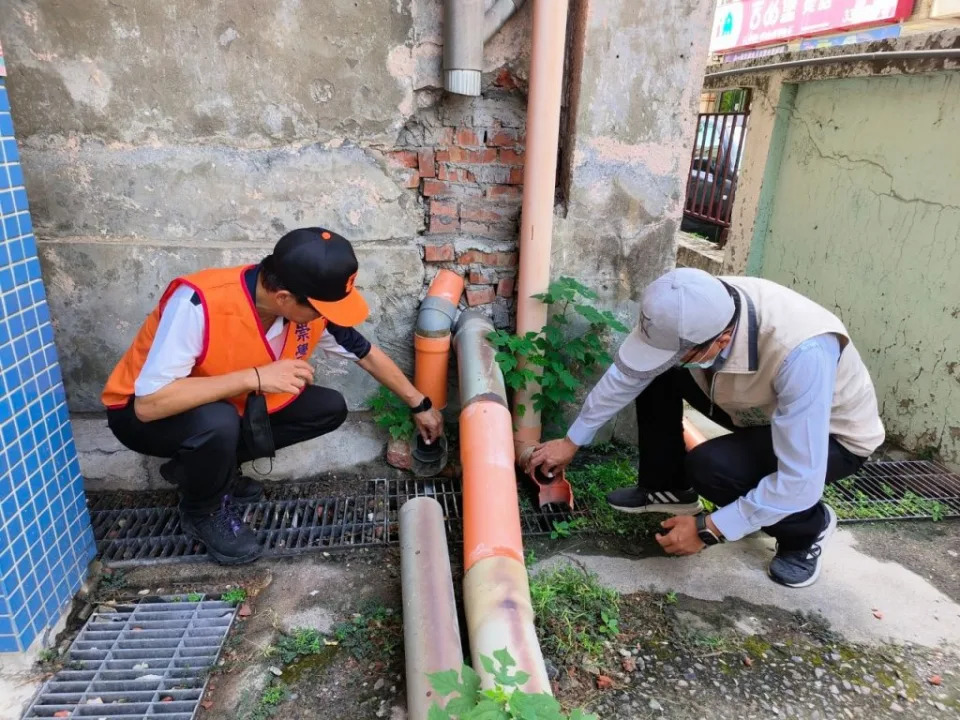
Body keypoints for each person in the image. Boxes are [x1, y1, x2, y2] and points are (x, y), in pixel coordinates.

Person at [101, 227, 443, 565]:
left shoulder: (304, 309)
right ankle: (202, 510)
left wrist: (420, 404)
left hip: (218, 408)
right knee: (217, 420)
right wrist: (255, 377)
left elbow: (365, 353)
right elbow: (150, 405)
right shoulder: (200, 302)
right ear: (283, 298)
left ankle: (205, 470)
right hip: (142, 416)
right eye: (322, 309)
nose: (327, 317)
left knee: (326, 407)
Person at [530, 268, 884, 588]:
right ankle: (667, 489)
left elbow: (800, 480)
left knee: (711, 466)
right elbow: (628, 375)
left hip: (831, 437)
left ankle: (808, 530)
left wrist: (710, 529)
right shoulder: (695, 305)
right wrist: (572, 440)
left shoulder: (802, 353)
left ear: (721, 341)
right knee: (657, 372)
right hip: (754, 407)